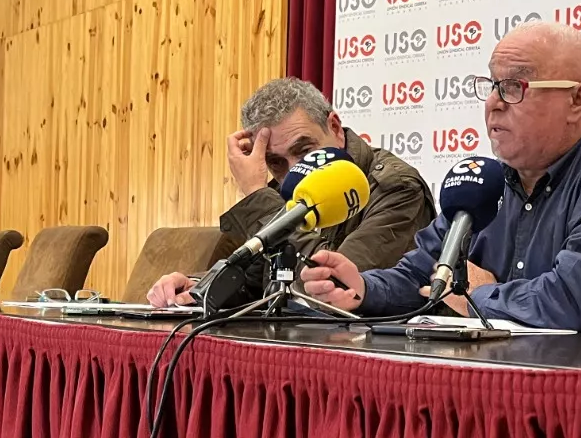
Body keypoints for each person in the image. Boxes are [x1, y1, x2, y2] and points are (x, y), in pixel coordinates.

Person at [301, 22, 581, 335]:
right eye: (492, 85)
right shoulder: (482, 185)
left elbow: (575, 300)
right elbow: (423, 275)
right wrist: (364, 289)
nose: (493, 103)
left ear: (577, 101)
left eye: (513, 87)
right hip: (496, 381)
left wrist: (477, 295)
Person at [148, 77, 433, 306]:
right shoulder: (282, 190)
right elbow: (258, 282)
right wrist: (199, 287)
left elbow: (333, 289)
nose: (296, 170)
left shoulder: (397, 186)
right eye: (275, 162)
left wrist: (256, 195)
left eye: (305, 150)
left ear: (334, 128)